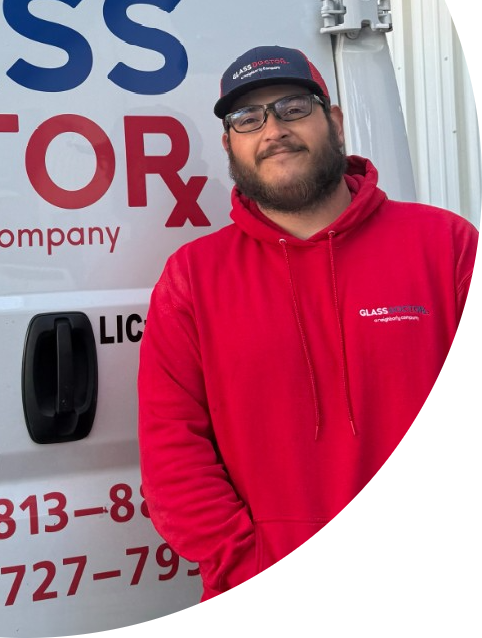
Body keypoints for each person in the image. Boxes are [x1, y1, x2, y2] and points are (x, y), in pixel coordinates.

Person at [137, 44, 477, 602]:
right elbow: (172, 453)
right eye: (248, 118)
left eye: (294, 107)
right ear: (229, 145)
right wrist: (247, 563)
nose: (274, 130)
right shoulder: (193, 277)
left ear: (334, 122)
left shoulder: (445, 245)